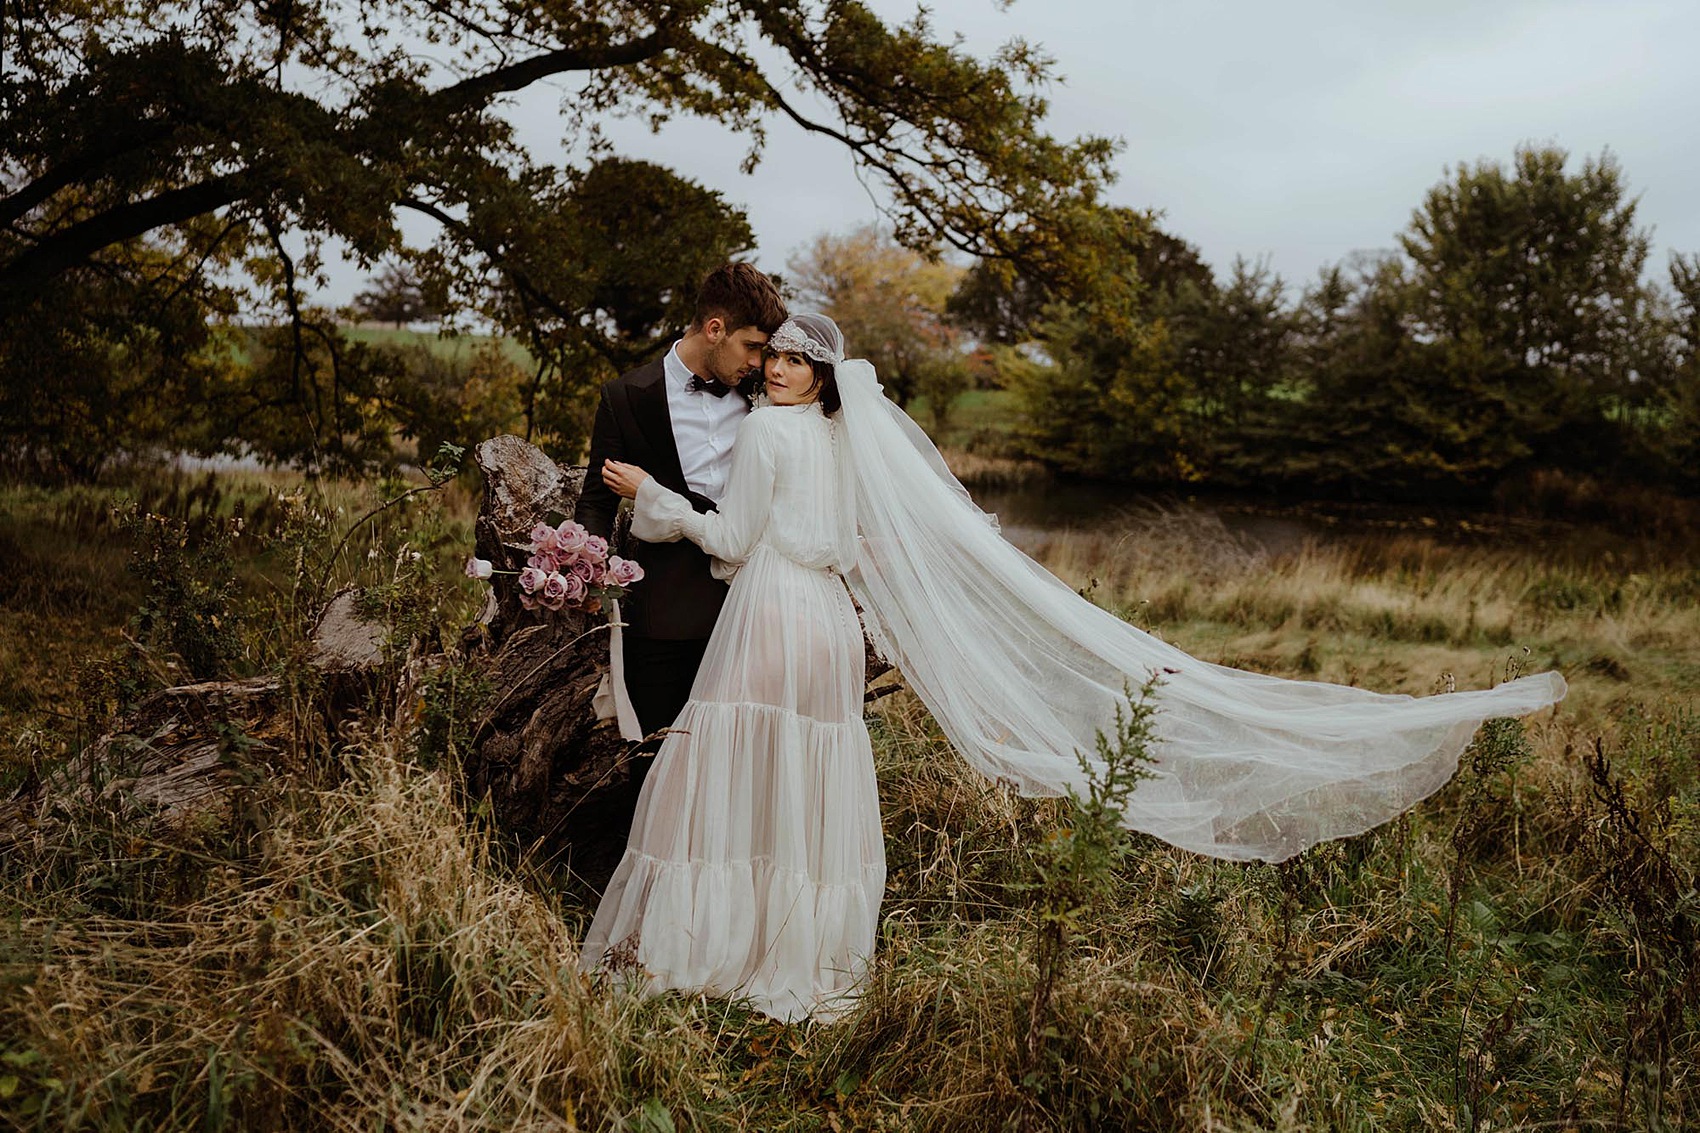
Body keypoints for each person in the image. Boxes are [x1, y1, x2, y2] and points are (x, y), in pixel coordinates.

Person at [581, 313, 1568, 1023]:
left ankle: (716, 943)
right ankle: (794, 951)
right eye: (779, 355)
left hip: (769, 613)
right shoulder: (852, 442)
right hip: (829, 626)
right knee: (806, 772)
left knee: (742, 772)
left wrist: (653, 499)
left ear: (825, 375)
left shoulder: (762, 432)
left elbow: (735, 538)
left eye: (797, 358)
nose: (780, 369)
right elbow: (850, 536)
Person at [574, 262, 787, 761]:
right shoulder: (626, 397)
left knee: (741, 760)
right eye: (752, 346)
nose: (761, 363)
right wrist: (583, 563)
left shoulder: (766, 397)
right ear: (715, 329)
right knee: (657, 759)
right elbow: (596, 501)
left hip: (753, 605)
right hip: (663, 613)